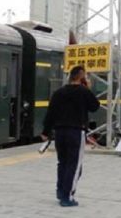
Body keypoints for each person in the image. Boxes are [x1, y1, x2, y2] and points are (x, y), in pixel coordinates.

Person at [41, 65, 100, 207]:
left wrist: (45, 132)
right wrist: (87, 88)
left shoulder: (58, 92)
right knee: (74, 165)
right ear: (82, 77)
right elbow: (95, 106)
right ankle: (67, 197)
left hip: (60, 133)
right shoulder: (83, 92)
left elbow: (50, 113)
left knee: (62, 163)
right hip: (76, 132)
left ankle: (61, 191)